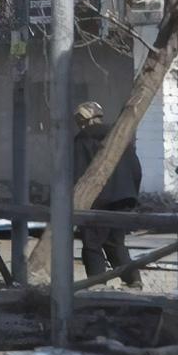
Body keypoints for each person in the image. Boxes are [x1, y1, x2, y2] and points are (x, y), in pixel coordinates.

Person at [73, 101, 143, 288]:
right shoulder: (119, 138)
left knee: (92, 243)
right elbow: (136, 170)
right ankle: (133, 280)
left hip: (96, 200)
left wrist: (75, 200)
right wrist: (131, 196)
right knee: (115, 242)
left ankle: (97, 283)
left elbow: (76, 172)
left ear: (82, 120)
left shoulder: (82, 140)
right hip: (123, 199)